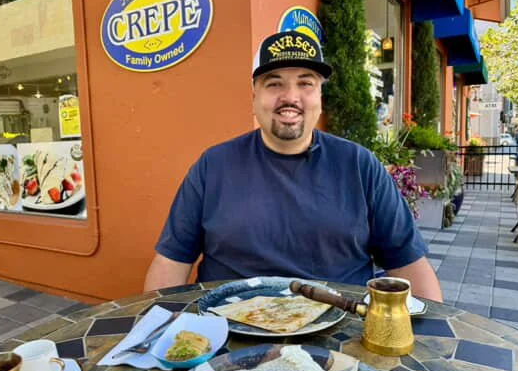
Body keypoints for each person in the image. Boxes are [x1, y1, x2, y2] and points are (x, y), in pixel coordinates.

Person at [144, 31, 443, 302]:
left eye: (305, 83)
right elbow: (172, 261)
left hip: (341, 330)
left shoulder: (360, 166)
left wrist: (434, 335)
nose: (290, 97)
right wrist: (154, 328)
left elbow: (407, 262)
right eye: (274, 83)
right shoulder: (213, 166)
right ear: (254, 96)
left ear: (320, 96)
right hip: (228, 329)